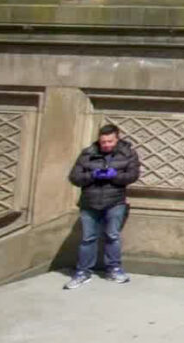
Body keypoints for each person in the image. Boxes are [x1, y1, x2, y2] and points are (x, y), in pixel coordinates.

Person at [64, 123, 141, 289]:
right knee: (87, 239)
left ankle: (114, 269)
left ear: (117, 138)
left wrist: (114, 176)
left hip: (115, 201)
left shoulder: (128, 153)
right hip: (90, 202)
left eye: (110, 141)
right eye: (103, 142)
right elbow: (74, 178)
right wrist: (92, 175)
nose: (106, 145)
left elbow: (132, 175)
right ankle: (83, 272)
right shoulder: (88, 153)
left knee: (112, 235)